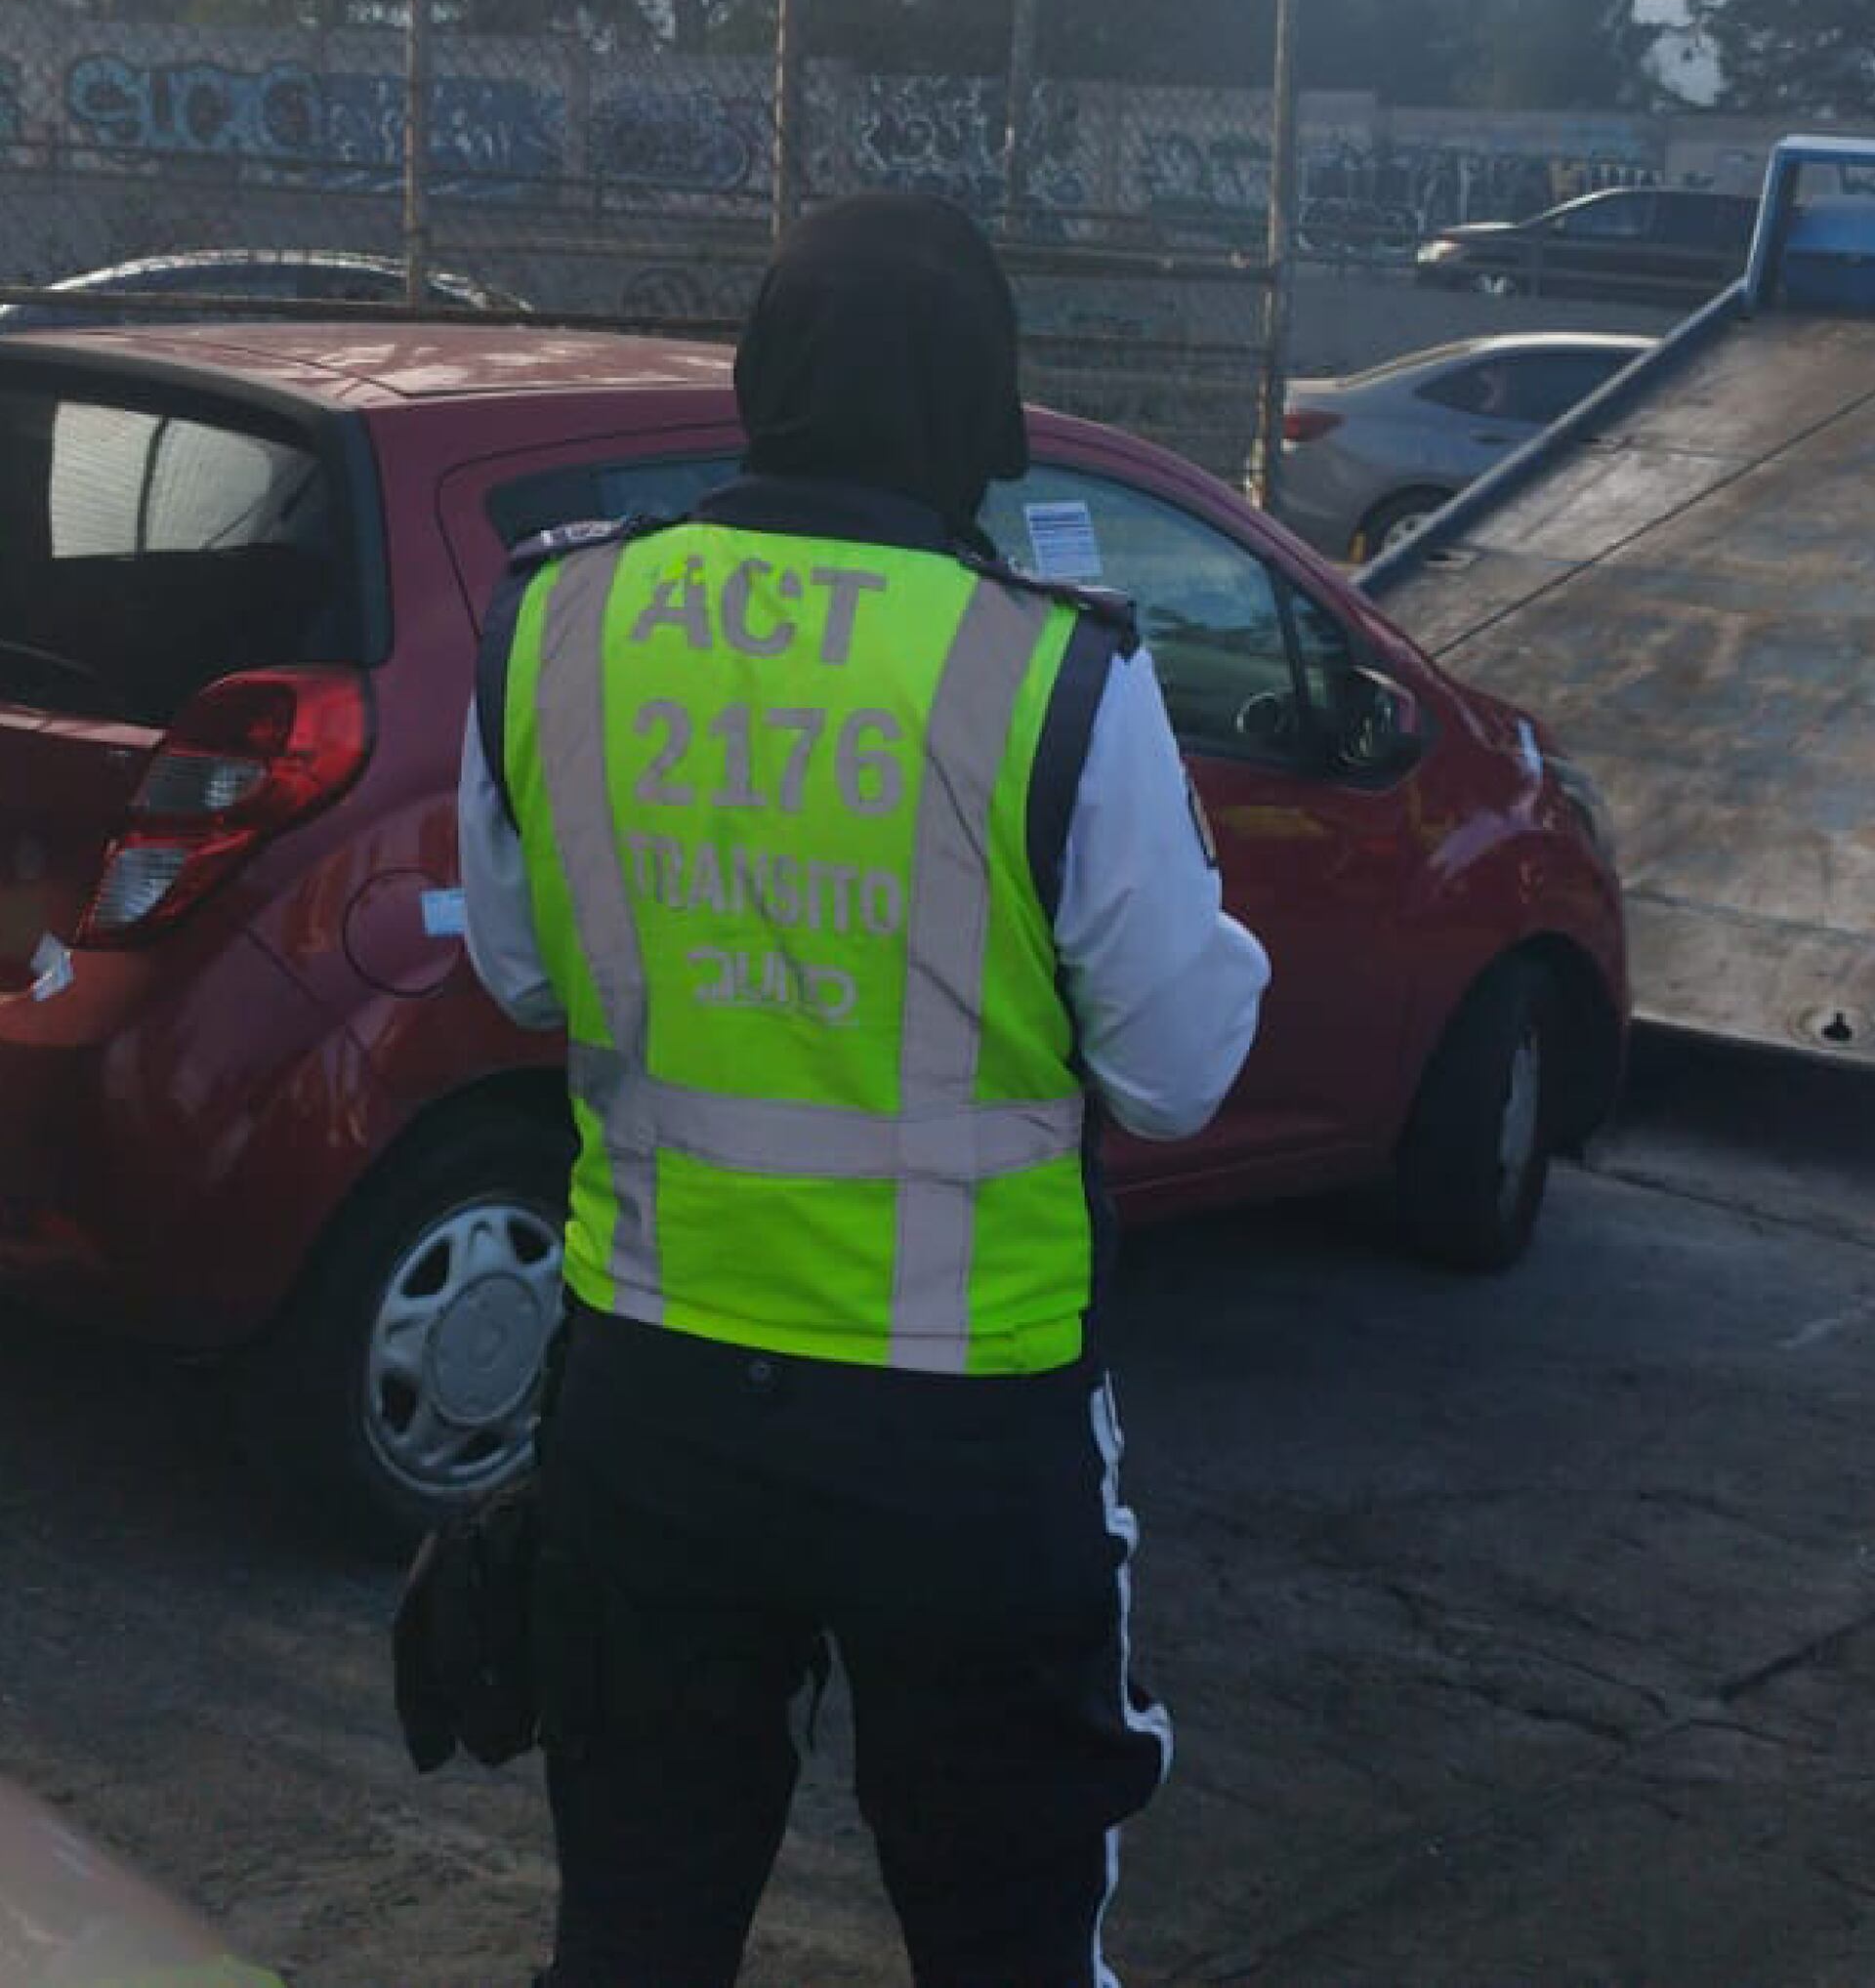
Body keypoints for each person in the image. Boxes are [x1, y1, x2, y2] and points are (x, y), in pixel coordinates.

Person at [454, 190, 1271, 1988]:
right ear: (984, 409)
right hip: (963, 1431)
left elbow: (521, 972)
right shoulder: (1055, 664)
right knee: (1003, 1933)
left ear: (758, 381)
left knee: (637, 1927)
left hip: (652, 1395)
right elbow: (1182, 1065)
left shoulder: (560, 621)